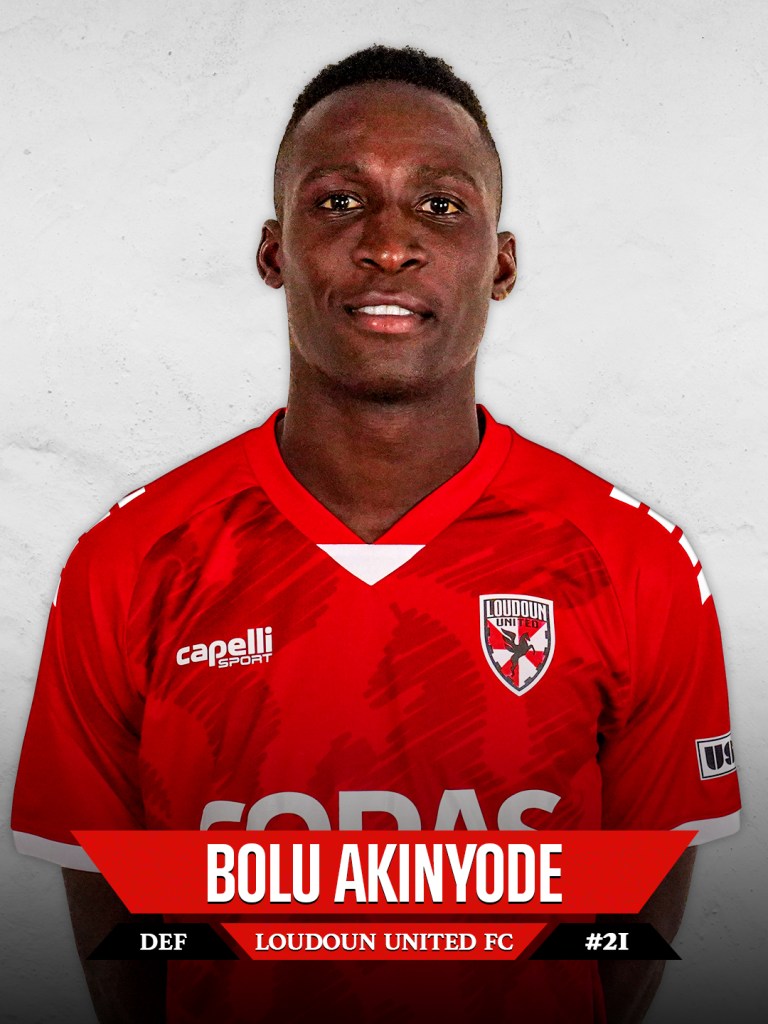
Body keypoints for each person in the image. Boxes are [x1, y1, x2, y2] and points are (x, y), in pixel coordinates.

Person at [12, 45, 741, 1024]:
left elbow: (630, 913)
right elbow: (127, 927)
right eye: (339, 202)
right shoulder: (131, 562)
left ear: (501, 263)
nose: (389, 245)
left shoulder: (634, 563)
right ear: (274, 253)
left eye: (439, 205)